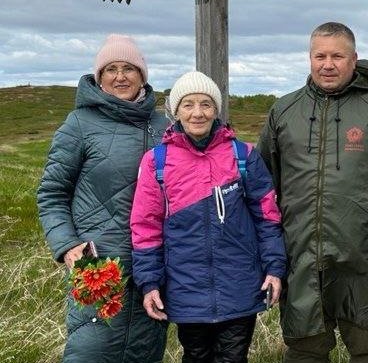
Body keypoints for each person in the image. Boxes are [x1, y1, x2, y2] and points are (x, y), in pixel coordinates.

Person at [257, 22, 368, 363]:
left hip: (365, 254)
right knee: (305, 347)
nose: (327, 64)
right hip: (301, 253)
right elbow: (263, 187)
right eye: (320, 56)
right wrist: (266, 249)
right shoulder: (285, 111)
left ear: (354, 59)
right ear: (310, 58)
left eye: (337, 56)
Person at [130, 71, 286, 363]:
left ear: (216, 109)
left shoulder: (244, 156)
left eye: (206, 104)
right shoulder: (156, 162)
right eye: (188, 105)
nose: (198, 113)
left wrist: (274, 268)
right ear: (176, 111)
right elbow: (145, 228)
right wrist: (149, 282)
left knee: (233, 357)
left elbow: (267, 218)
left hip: (240, 285)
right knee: (196, 355)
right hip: (185, 287)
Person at [36, 34, 169, 362]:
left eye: (129, 68)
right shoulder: (80, 123)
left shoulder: (163, 125)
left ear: (142, 75)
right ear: (100, 77)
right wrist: (67, 245)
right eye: (111, 69)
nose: (120, 76)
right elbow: (52, 192)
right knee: (91, 351)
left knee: (144, 351)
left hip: (153, 266)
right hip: (98, 265)